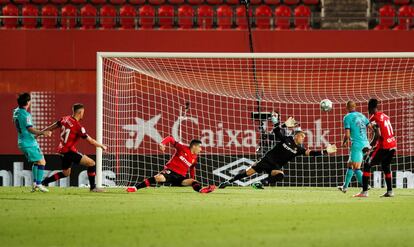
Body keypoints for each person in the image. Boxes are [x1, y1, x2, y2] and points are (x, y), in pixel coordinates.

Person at [218, 116, 337, 189]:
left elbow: (311, 154)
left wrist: (325, 151)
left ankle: (261, 183)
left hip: (275, 166)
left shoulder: (299, 149)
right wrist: (284, 124)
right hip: (267, 160)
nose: (303, 138)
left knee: (280, 175)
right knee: (248, 172)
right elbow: (276, 131)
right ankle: (229, 181)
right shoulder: (287, 139)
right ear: (296, 136)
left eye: (304, 137)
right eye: (301, 136)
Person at [40, 103, 107, 192]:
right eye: (83, 112)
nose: (83, 114)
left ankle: (44, 182)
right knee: (91, 163)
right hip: (68, 151)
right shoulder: (78, 126)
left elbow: (53, 126)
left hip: (61, 150)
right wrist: (101, 146)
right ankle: (93, 187)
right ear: (80, 112)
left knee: (66, 173)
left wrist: (40, 132)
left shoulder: (65, 119)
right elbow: (90, 141)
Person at [126, 136, 215, 193]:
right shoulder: (182, 147)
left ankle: (201, 190)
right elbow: (170, 138)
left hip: (180, 177)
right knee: (159, 177)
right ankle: (135, 188)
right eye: (200, 147)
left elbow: (192, 168)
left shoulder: (194, 158)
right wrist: (162, 143)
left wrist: (192, 177)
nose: (201, 149)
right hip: (170, 172)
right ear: (194, 146)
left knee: (192, 182)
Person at [354, 98, 397, 197]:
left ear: (370, 107)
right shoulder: (385, 116)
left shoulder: (374, 118)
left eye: (368, 108)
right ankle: (390, 191)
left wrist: (369, 146)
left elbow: (377, 134)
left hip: (384, 146)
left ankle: (364, 192)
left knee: (367, 164)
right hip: (393, 144)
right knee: (385, 166)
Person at [13, 93, 52, 192]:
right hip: (28, 142)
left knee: (37, 161)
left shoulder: (16, 112)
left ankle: (35, 183)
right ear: (27, 102)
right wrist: (42, 133)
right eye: (29, 100)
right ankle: (39, 183)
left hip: (23, 141)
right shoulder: (26, 114)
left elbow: (22, 127)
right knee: (42, 161)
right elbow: (29, 128)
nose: (30, 102)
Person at [338, 101, 370, 193]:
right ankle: (345, 187)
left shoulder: (347, 117)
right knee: (350, 164)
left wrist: (344, 142)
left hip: (357, 144)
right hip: (365, 143)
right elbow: (371, 127)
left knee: (356, 168)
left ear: (347, 107)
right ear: (355, 107)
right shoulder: (362, 116)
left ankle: (365, 185)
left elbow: (347, 135)